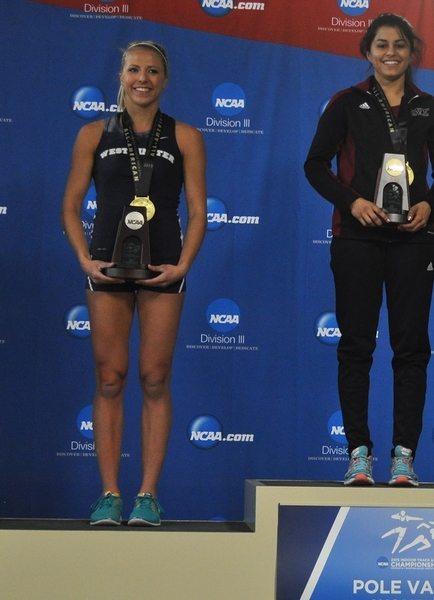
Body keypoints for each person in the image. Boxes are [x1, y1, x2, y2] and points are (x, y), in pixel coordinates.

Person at [304, 14, 434, 487]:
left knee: (411, 348)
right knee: (356, 347)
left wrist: (430, 205)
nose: (391, 52)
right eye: (382, 45)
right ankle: (358, 454)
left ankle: (404, 457)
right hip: (357, 239)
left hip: (413, 241)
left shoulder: (430, 108)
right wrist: (352, 203)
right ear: (367, 51)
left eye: (400, 45)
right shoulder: (346, 103)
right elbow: (315, 165)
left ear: (412, 52)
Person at [61, 41, 207, 525]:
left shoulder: (185, 136)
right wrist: (84, 258)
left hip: (163, 266)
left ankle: (147, 495)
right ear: (121, 76)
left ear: (165, 79)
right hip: (106, 267)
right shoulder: (92, 134)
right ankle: (109, 494)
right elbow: (70, 205)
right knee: (110, 378)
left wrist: (183, 265)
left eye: (152, 71)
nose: (142, 78)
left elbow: (199, 210)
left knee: (155, 378)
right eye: (133, 70)